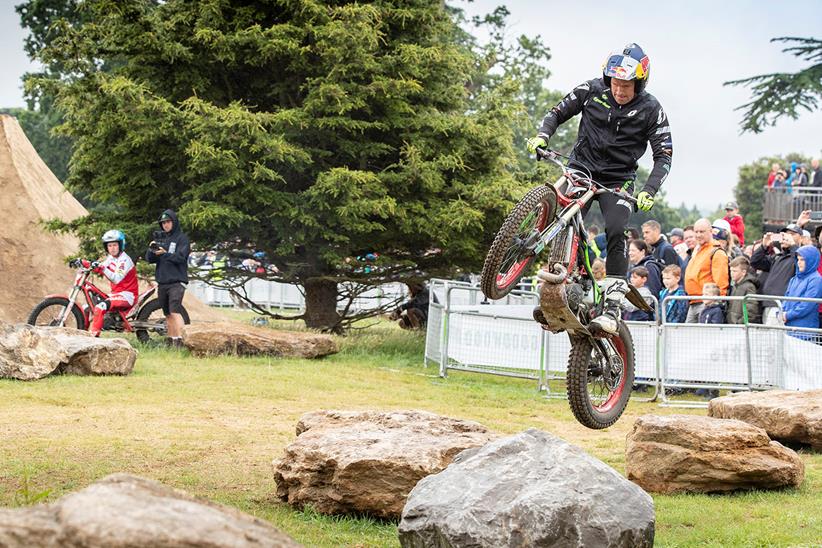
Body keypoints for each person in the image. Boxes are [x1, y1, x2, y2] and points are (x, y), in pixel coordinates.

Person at [527, 42, 672, 335]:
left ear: (640, 83)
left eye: (627, 86)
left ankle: (612, 308)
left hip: (618, 179)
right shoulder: (591, 90)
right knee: (561, 210)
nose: (620, 91)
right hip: (581, 166)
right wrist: (543, 135)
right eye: (616, 83)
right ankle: (560, 283)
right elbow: (556, 112)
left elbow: (664, 155)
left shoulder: (651, 109)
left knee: (617, 228)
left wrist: (650, 190)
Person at [147, 210, 190, 347]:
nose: (165, 225)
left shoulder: (182, 239)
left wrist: (165, 254)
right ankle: (172, 340)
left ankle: (183, 341)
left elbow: (181, 258)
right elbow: (149, 259)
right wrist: (152, 249)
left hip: (177, 282)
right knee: (167, 313)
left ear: (174, 222)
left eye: (168, 222)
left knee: (175, 310)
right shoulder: (161, 239)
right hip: (162, 282)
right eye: (163, 223)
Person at [750, 223, 803, 325]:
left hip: (782, 306)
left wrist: (793, 246)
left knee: (775, 338)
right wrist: (763, 245)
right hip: (767, 303)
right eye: (784, 234)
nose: (786, 237)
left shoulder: (800, 257)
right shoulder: (777, 257)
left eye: (792, 234)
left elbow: (803, 266)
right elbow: (755, 262)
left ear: (801, 239)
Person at [88, 230, 139, 337]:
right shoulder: (111, 258)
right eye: (109, 245)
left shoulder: (124, 261)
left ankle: (93, 337)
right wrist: (84, 263)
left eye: (115, 245)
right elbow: (100, 267)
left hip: (127, 296)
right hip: (116, 294)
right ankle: (81, 333)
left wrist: (101, 268)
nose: (112, 248)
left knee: (100, 307)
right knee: (86, 307)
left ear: (121, 245)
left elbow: (116, 279)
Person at [684, 218, 729, 322]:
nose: (698, 235)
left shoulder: (716, 252)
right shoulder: (698, 250)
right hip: (693, 301)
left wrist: (716, 304)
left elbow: (721, 283)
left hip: (707, 303)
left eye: (702, 231)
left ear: (710, 231)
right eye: (696, 232)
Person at [781, 245, 822, 337]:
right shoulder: (794, 279)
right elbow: (786, 298)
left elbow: (807, 305)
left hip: (806, 331)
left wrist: (787, 315)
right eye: (798, 259)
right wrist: (781, 312)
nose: (799, 262)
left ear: (811, 260)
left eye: (802, 260)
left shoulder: (816, 279)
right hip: (789, 328)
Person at [727, 256, 761, 324]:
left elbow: (751, 311)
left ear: (743, 272)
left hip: (741, 328)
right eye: (731, 271)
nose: (732, 273)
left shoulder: (749, 287)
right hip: (732, 325)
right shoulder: (735, 286)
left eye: (734, 271)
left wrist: (739, 323)